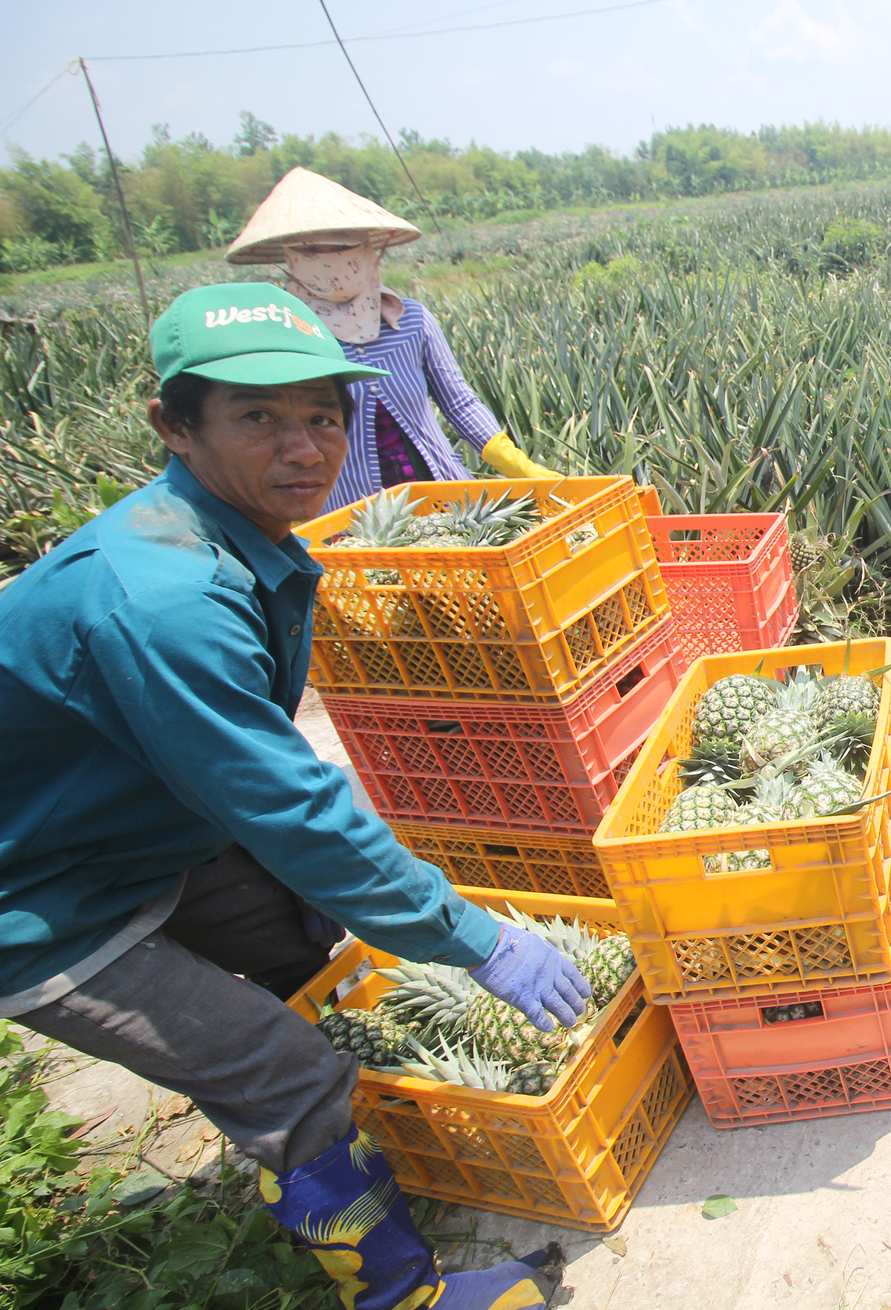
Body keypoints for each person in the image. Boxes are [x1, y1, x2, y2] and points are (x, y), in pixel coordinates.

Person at [0, 284, 584, 1309]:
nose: (305, 445)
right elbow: (291, 808)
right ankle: (400, 1291)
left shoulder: (227, 534)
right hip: (37, 904)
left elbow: (268, 792)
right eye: (256, 416)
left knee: (300, 934)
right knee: (285, 1067)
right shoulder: (162, 594)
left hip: (130, 832)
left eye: (323, 414)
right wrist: (479, 939)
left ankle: (322, 1150)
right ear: (174, 427)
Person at [227, 166, 559, 505]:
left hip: (446, 498)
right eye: (311, 252)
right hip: (354, 515)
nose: (328, 264)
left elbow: (459, 403)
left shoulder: (412, 320)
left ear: (370, 250)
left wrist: (520, 466)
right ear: (291, 259)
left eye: (341, 248)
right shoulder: (291, 339)